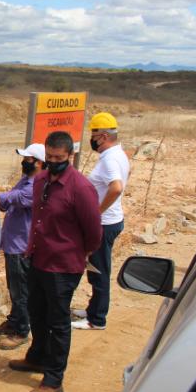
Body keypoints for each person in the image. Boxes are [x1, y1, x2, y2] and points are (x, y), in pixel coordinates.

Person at [9, 131, 102, 392]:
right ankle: (37, 356)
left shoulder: (81, 188)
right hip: (39, 258)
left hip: (63, 265)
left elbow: (94, 231)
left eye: (58, 158)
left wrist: (78, 252)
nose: (53, 161)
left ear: (70, 156)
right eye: (49, 157)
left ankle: (53, 378)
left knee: (58, 321)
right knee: (36, 312)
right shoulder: (40, 180)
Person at [72, 112, 130, 330]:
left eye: (93, 134)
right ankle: (92, 309)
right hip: (110, 220)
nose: (92, 138)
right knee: (97, 267)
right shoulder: (118, 154)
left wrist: (96, 212)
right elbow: (126, 175)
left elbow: (116, 187)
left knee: (98, 271)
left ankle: (96, 319)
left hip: (104, 223)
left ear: (103, 136)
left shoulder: (110, 159)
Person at [0, 143, 45, 350]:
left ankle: (21, 331)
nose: (24, 163)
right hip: (13, 242)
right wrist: (1, 200)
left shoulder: (37, 185)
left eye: (28, 160)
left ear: (40, 163)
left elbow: (18, 198)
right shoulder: (26, 180)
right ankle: (15, 321)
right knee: (14, 287)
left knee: (20, 290)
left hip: (21, 245)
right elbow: (9, 200)